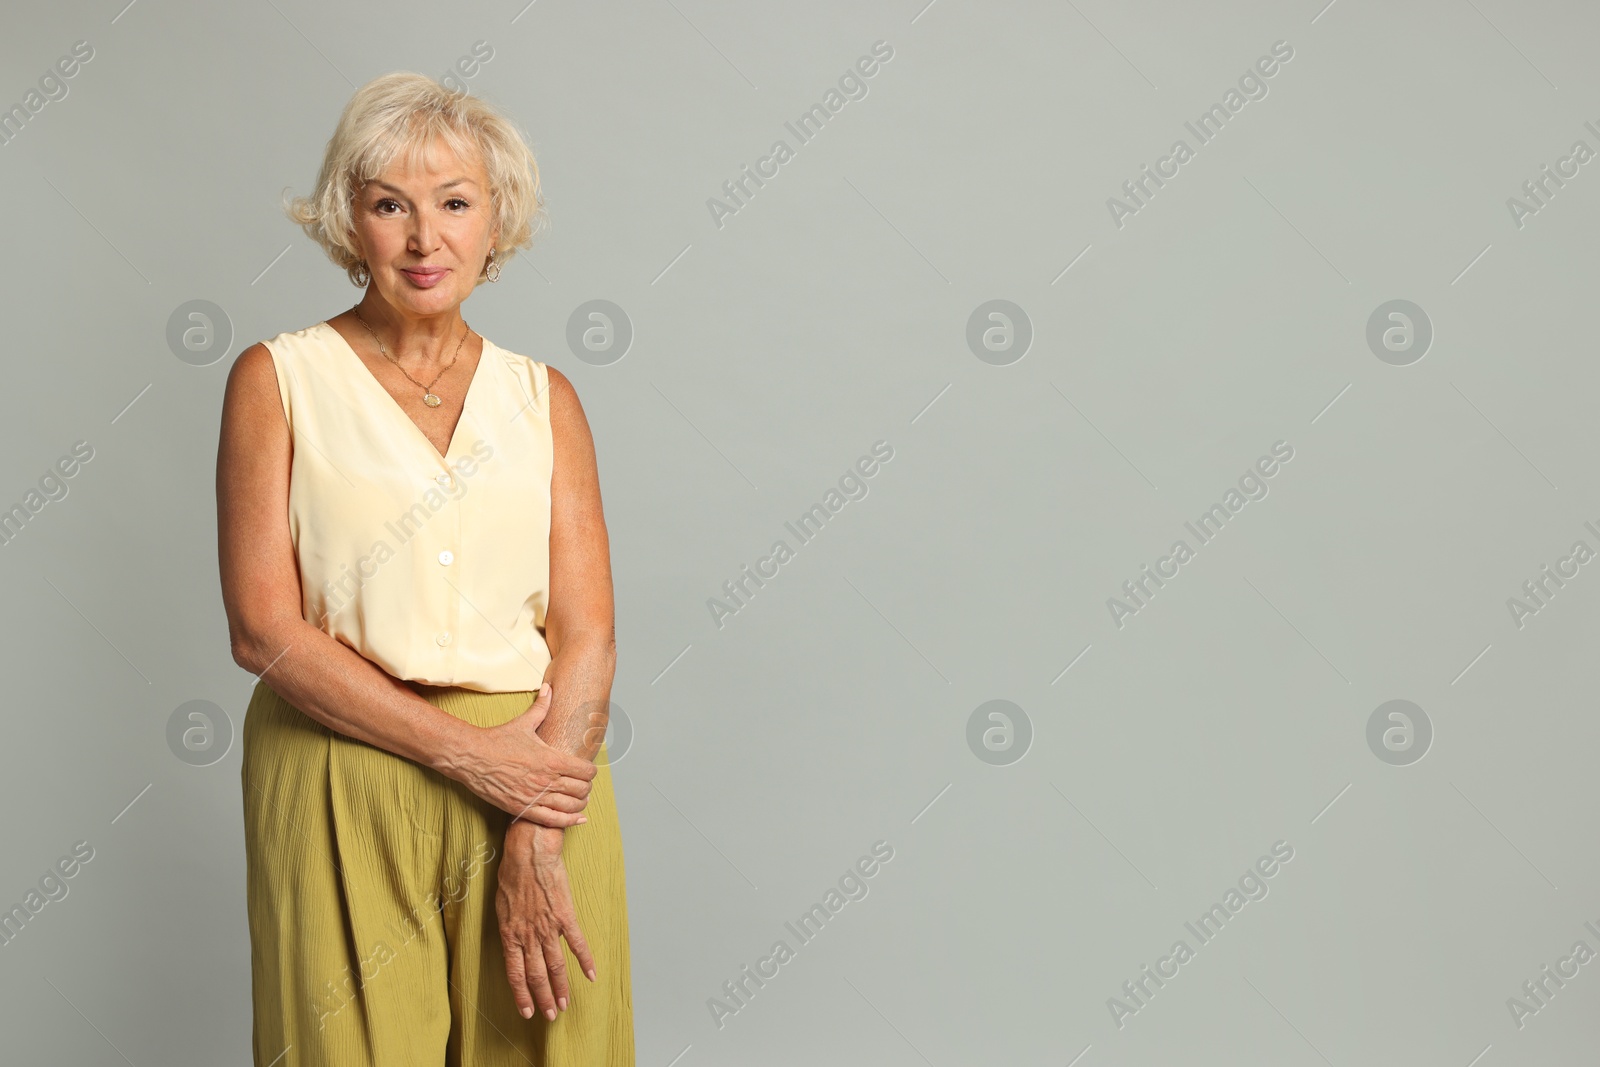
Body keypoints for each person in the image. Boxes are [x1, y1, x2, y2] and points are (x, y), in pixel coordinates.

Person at [215, 71, 634, 1066]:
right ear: (347, 221)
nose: (423, 237)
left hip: (537, 775)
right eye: (388, 204)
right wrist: (464, 753)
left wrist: (534, 819)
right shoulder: (276, 380)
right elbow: (263, 630)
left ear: (497, 222)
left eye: (454, 203)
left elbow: (588, 635)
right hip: (338, 771)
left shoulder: (546, 398)